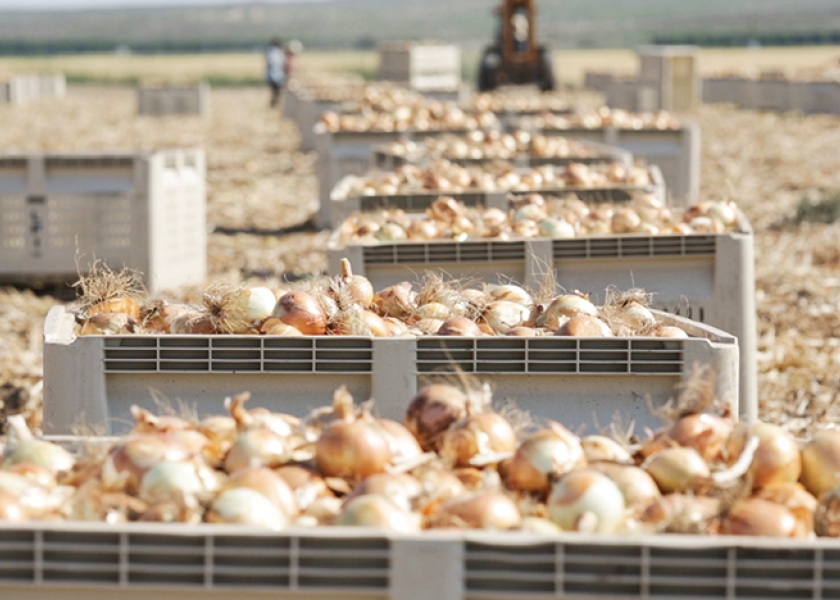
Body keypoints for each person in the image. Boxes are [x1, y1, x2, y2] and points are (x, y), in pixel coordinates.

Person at [265, 38, 286, 108]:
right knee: (277, 92)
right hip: (278, 76)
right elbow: (282, 64)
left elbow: (268, 65)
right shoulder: (279, 53)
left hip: (272, 76)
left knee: (274, 92)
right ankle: (275, 104)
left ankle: (273, 104)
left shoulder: (270, 52)